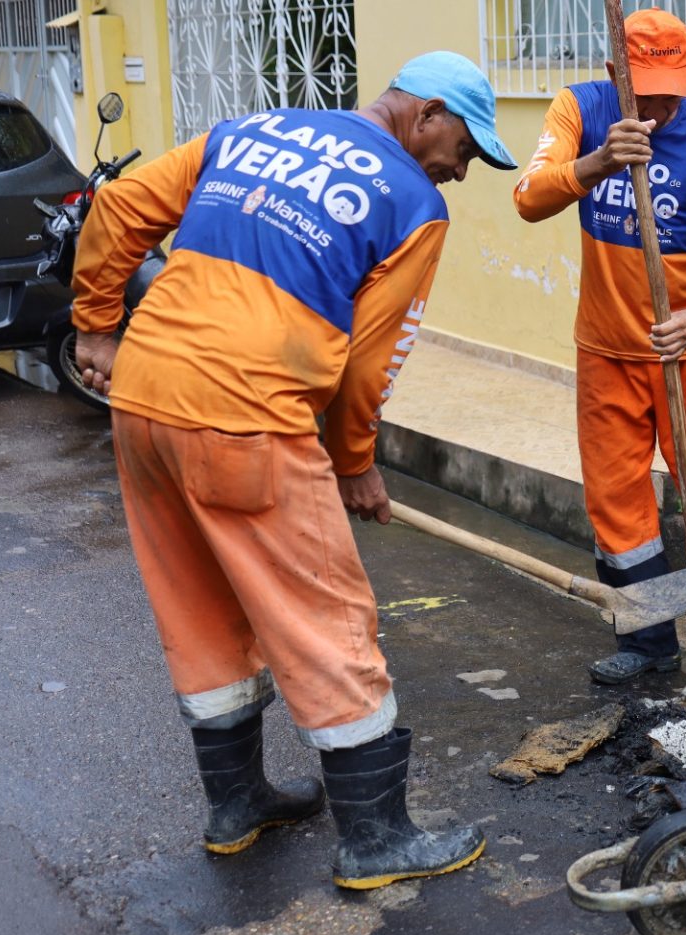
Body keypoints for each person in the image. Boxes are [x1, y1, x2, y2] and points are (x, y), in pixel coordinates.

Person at [71, 52, 518, 889]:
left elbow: (122, 206)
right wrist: (354, 464)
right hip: (245, 418)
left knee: (199, 605)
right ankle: (377, 839)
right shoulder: (413, 203)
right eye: (464, 148)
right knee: (326, 614)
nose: (460, 172)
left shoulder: (250, 130)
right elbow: (369, 364)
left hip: (142, 402)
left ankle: (237, 805)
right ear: (426, 114)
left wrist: (97, 327)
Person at [513, 7, 686, 685]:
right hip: (607, 350)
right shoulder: (581, 110)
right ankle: (648, 646)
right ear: (617, 73)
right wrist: (597, 161)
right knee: (619, 503)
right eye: (646, 87)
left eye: (674, 86)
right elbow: (528, 197)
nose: (662, 104)